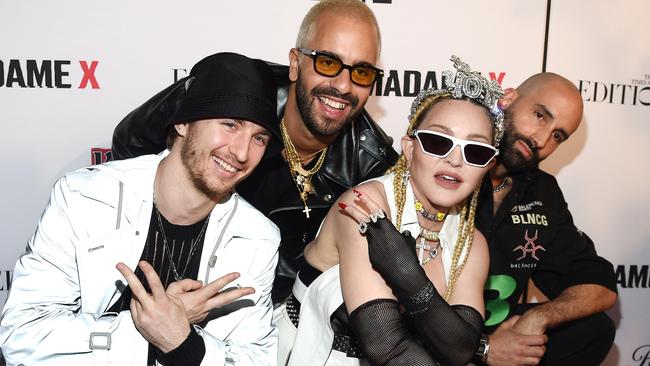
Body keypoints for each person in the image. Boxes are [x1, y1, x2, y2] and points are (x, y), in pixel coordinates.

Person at [0, 52, 281, 366]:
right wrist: (148, 327)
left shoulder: (257, 238)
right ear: (183, 123)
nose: (242, 152)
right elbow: (21, 334)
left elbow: (257, 359)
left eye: (259, 138)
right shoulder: (86, 197)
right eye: (230, 124)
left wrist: (183, 343)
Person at [110, 0, 398, 305]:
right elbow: (132, 141)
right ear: (296, 63)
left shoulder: (374, 163)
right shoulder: (238, 91)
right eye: (328, 63)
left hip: (291, 313)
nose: (343, 86)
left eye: (362, 72)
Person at [278, 56, 504, 366]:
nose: (455, 160)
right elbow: (387, 347)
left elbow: (461, 349)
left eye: (475, 151)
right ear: (410, 149)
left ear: (487, 168)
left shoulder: (472, 242)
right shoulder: (363, 205)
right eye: (439, 142)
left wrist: (404, 271)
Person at [475, 73, 618, 365]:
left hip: (500, 334)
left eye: (557, 136)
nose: (540, 140)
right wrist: (484, 349)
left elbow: (599, 283)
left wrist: (540, 316)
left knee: (594, 329)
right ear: (509, 98)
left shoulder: (542, 190)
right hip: (428, 342)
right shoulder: (448, 167)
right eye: (540, 115)